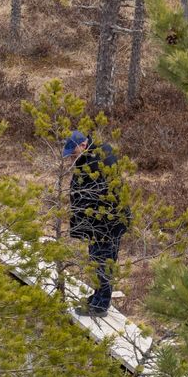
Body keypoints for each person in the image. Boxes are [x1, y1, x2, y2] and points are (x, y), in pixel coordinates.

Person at [66, 131, 131, 317]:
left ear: (83, 146)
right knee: (95, 260)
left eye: (73, 153)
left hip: (108, 223)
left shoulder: (100, 158)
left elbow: (103, 194)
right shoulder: (88, 158)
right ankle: (97, 296)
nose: (71, 158)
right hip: (97, 224)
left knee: (104, 261)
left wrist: (94, 221)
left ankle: (101, 305)